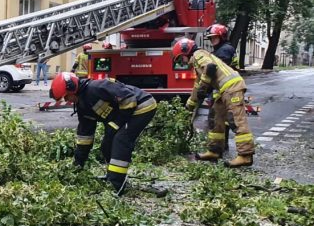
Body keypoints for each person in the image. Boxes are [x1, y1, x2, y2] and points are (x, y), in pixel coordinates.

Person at [50, 72, 157, 194]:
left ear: (72, 89)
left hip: (142, 107)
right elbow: (85, 136)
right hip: (125, 113)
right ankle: (112, 176)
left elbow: (129, 100)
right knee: (106, 145)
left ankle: (116, 186)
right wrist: (78, 164)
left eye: (66, 96)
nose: (67, 100)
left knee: (121, 140)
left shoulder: (97, 87)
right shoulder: (82, 106)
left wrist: (116, 124)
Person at [172, 37, 254, 168]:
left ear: (185, 51)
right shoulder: (197, 64)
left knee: (235, 119)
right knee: (215, 118)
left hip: (232, 86)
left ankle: (245, 155)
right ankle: (215, 150)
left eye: (181, 58)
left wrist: (204, 86)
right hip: (223, 90)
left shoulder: (198, 54)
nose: (183, 62)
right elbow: (197, 86)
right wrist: (190, 105)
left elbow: (210, 67)